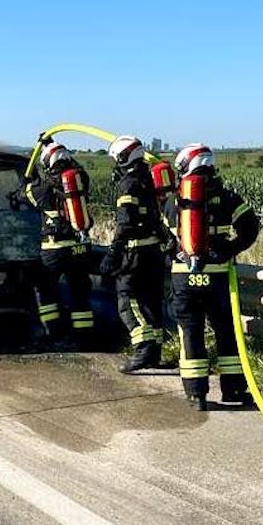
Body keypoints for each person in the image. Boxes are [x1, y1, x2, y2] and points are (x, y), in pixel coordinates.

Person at [165, 143, 260, 411]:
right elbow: (250, 228)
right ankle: (234, 390)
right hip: (218, 278)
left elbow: (165, 237)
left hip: (184, 277)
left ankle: (196, 394)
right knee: (227, 331)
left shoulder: (173, 200)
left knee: (190, 333)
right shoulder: (228, 198)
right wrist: (228, 249)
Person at [100, 135, 168, 373]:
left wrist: (113, 252)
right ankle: (154, 353)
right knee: (151, 302)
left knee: (127, 300)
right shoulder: (149, 179)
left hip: (135, 252)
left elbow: (125, 222)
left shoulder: (128, 184)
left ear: (123, 157)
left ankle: (143, 348)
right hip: (154, 252)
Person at [21, 140, 95, 345]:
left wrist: (27, 179)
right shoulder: (80, 181)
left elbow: (23, 195)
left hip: (54, 250)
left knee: (45, 289)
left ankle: (53, 332)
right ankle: (84, 337)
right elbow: (79, 170)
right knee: (79, 291)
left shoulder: (42, 189)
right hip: (79, 248)